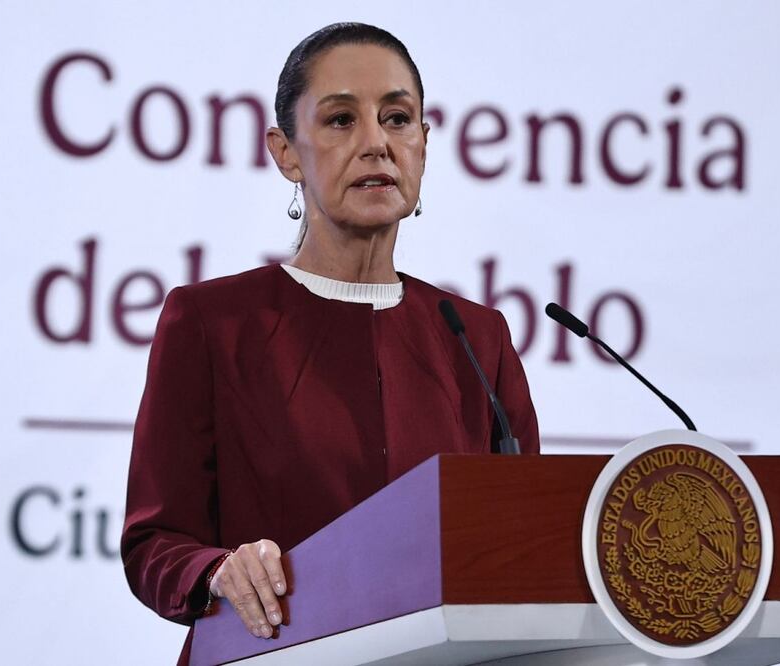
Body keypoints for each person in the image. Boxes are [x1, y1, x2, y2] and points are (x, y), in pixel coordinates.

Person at [120, 22, 540, 664]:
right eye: (342, 120)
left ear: (424, 146)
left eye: (397, 118)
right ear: (286, 152)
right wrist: (217, 570)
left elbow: (523, 547)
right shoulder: (211, 322)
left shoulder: (477, 338)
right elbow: (154, 542)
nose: (376, 143)